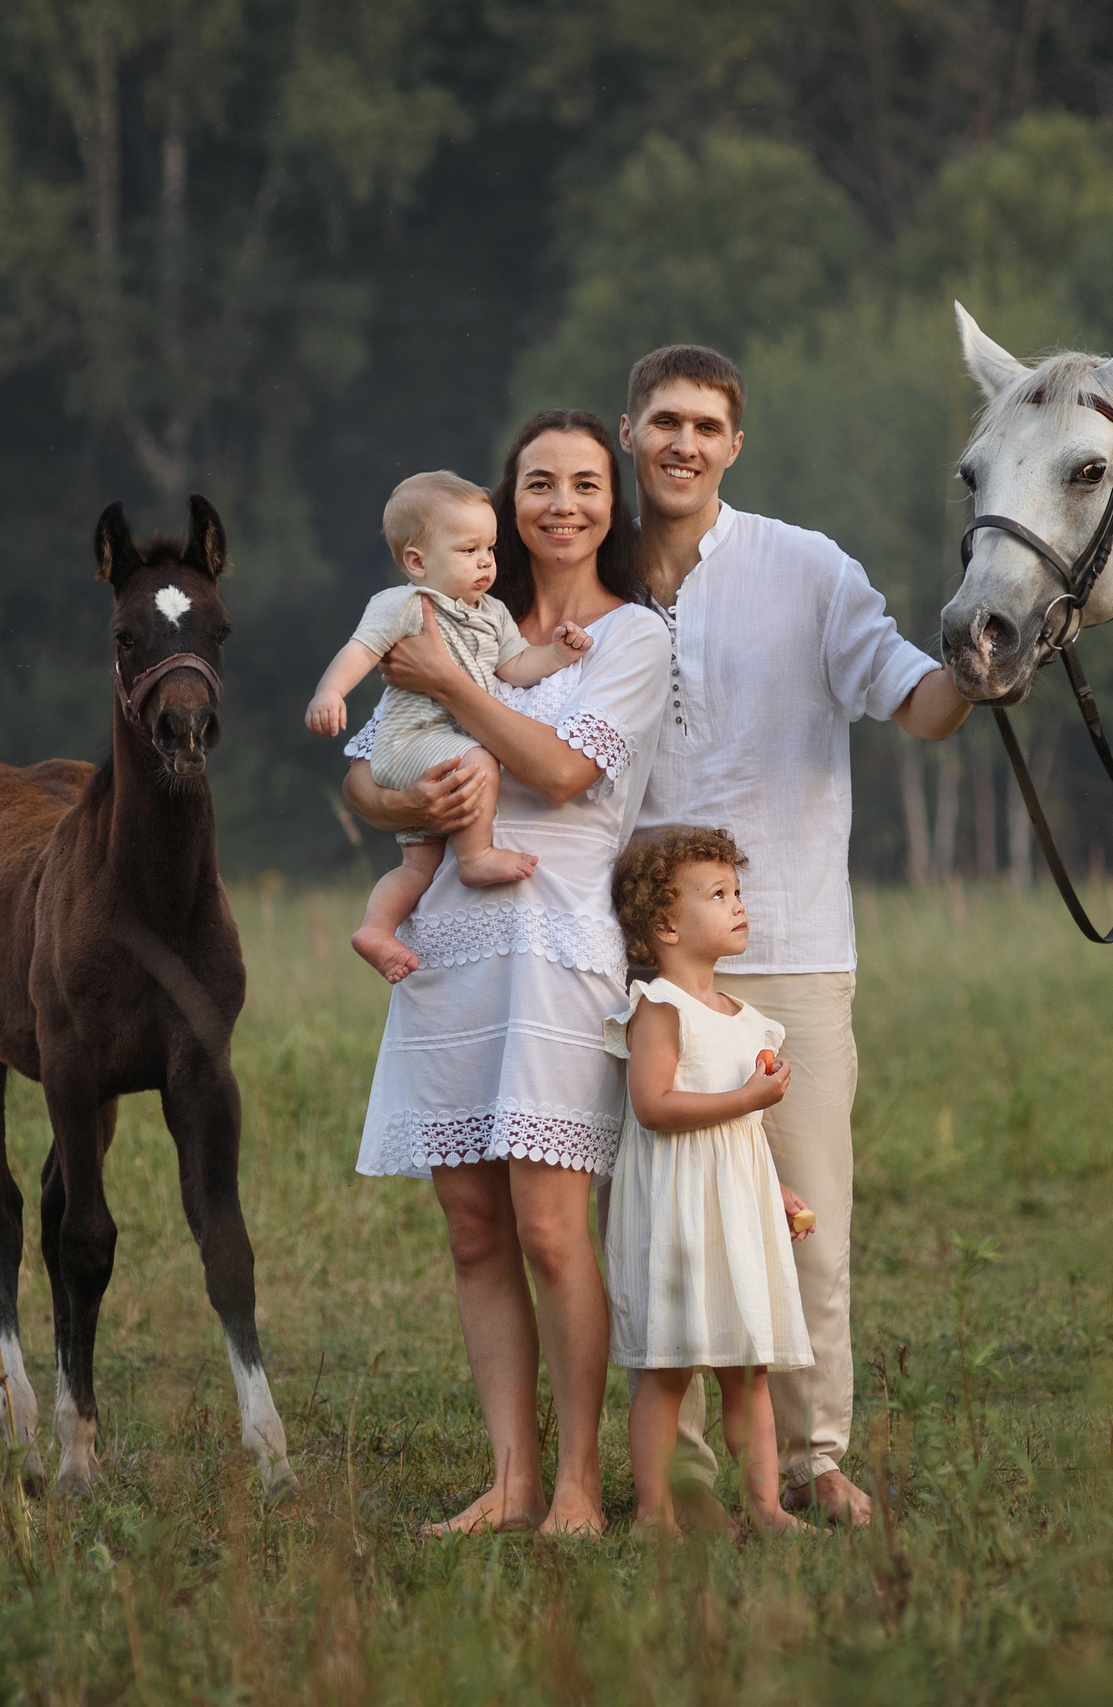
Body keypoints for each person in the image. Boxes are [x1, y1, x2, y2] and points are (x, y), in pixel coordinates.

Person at [622, 344, 971, 1528]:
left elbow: (916, 699)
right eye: (664, 420)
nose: (683, 442)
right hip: (638, 960)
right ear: (630, 433)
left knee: (807, 1219)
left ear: (735, 444)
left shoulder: (807, 569)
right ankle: (685, 1471)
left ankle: (817, 1458)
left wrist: (985, 666)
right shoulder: (588, 575)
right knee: (666, 1221)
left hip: (793, 944)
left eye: (705, 425)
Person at [342, 411, 667, 1537]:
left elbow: (565, 773)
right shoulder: (453, 610)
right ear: (507, 500)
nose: (562, 504)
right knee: (474, 1230)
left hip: (558, 945)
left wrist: (453, 681)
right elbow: (365, 775)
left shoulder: (630, 638)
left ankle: (578, 1483)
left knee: (550, 1231)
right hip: (448, 947)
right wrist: (404, 797)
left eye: (585, 483)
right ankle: (513, 1479)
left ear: (612, 504)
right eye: (539, 483)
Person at [602, 827, 815, 1536]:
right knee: (667, 1370)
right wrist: (746, 1097)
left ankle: (766, 1506)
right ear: (666, 926)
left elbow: (742, 1134)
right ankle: (655, 1512)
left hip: (736, 1218)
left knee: (750, 1371)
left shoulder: (746, 1020)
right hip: (679, 1218)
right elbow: (653, 1106)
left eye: (737, 891)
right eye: (718, 895)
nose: (738, 905)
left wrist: (773, 1191)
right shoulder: (660, 1008)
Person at [306, 471, 595, 982]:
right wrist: (330, 693)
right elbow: (361, 651)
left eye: (490, 548)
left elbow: (516, 667)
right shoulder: (404, 605)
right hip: (408, 743)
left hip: (438, 751)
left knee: (416, 866)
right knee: (480, 757)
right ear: (417, 562)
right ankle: (475, 856)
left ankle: (376, 929)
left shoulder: (493, 613)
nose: (485, 562)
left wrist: (555, 654)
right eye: (468, 550)